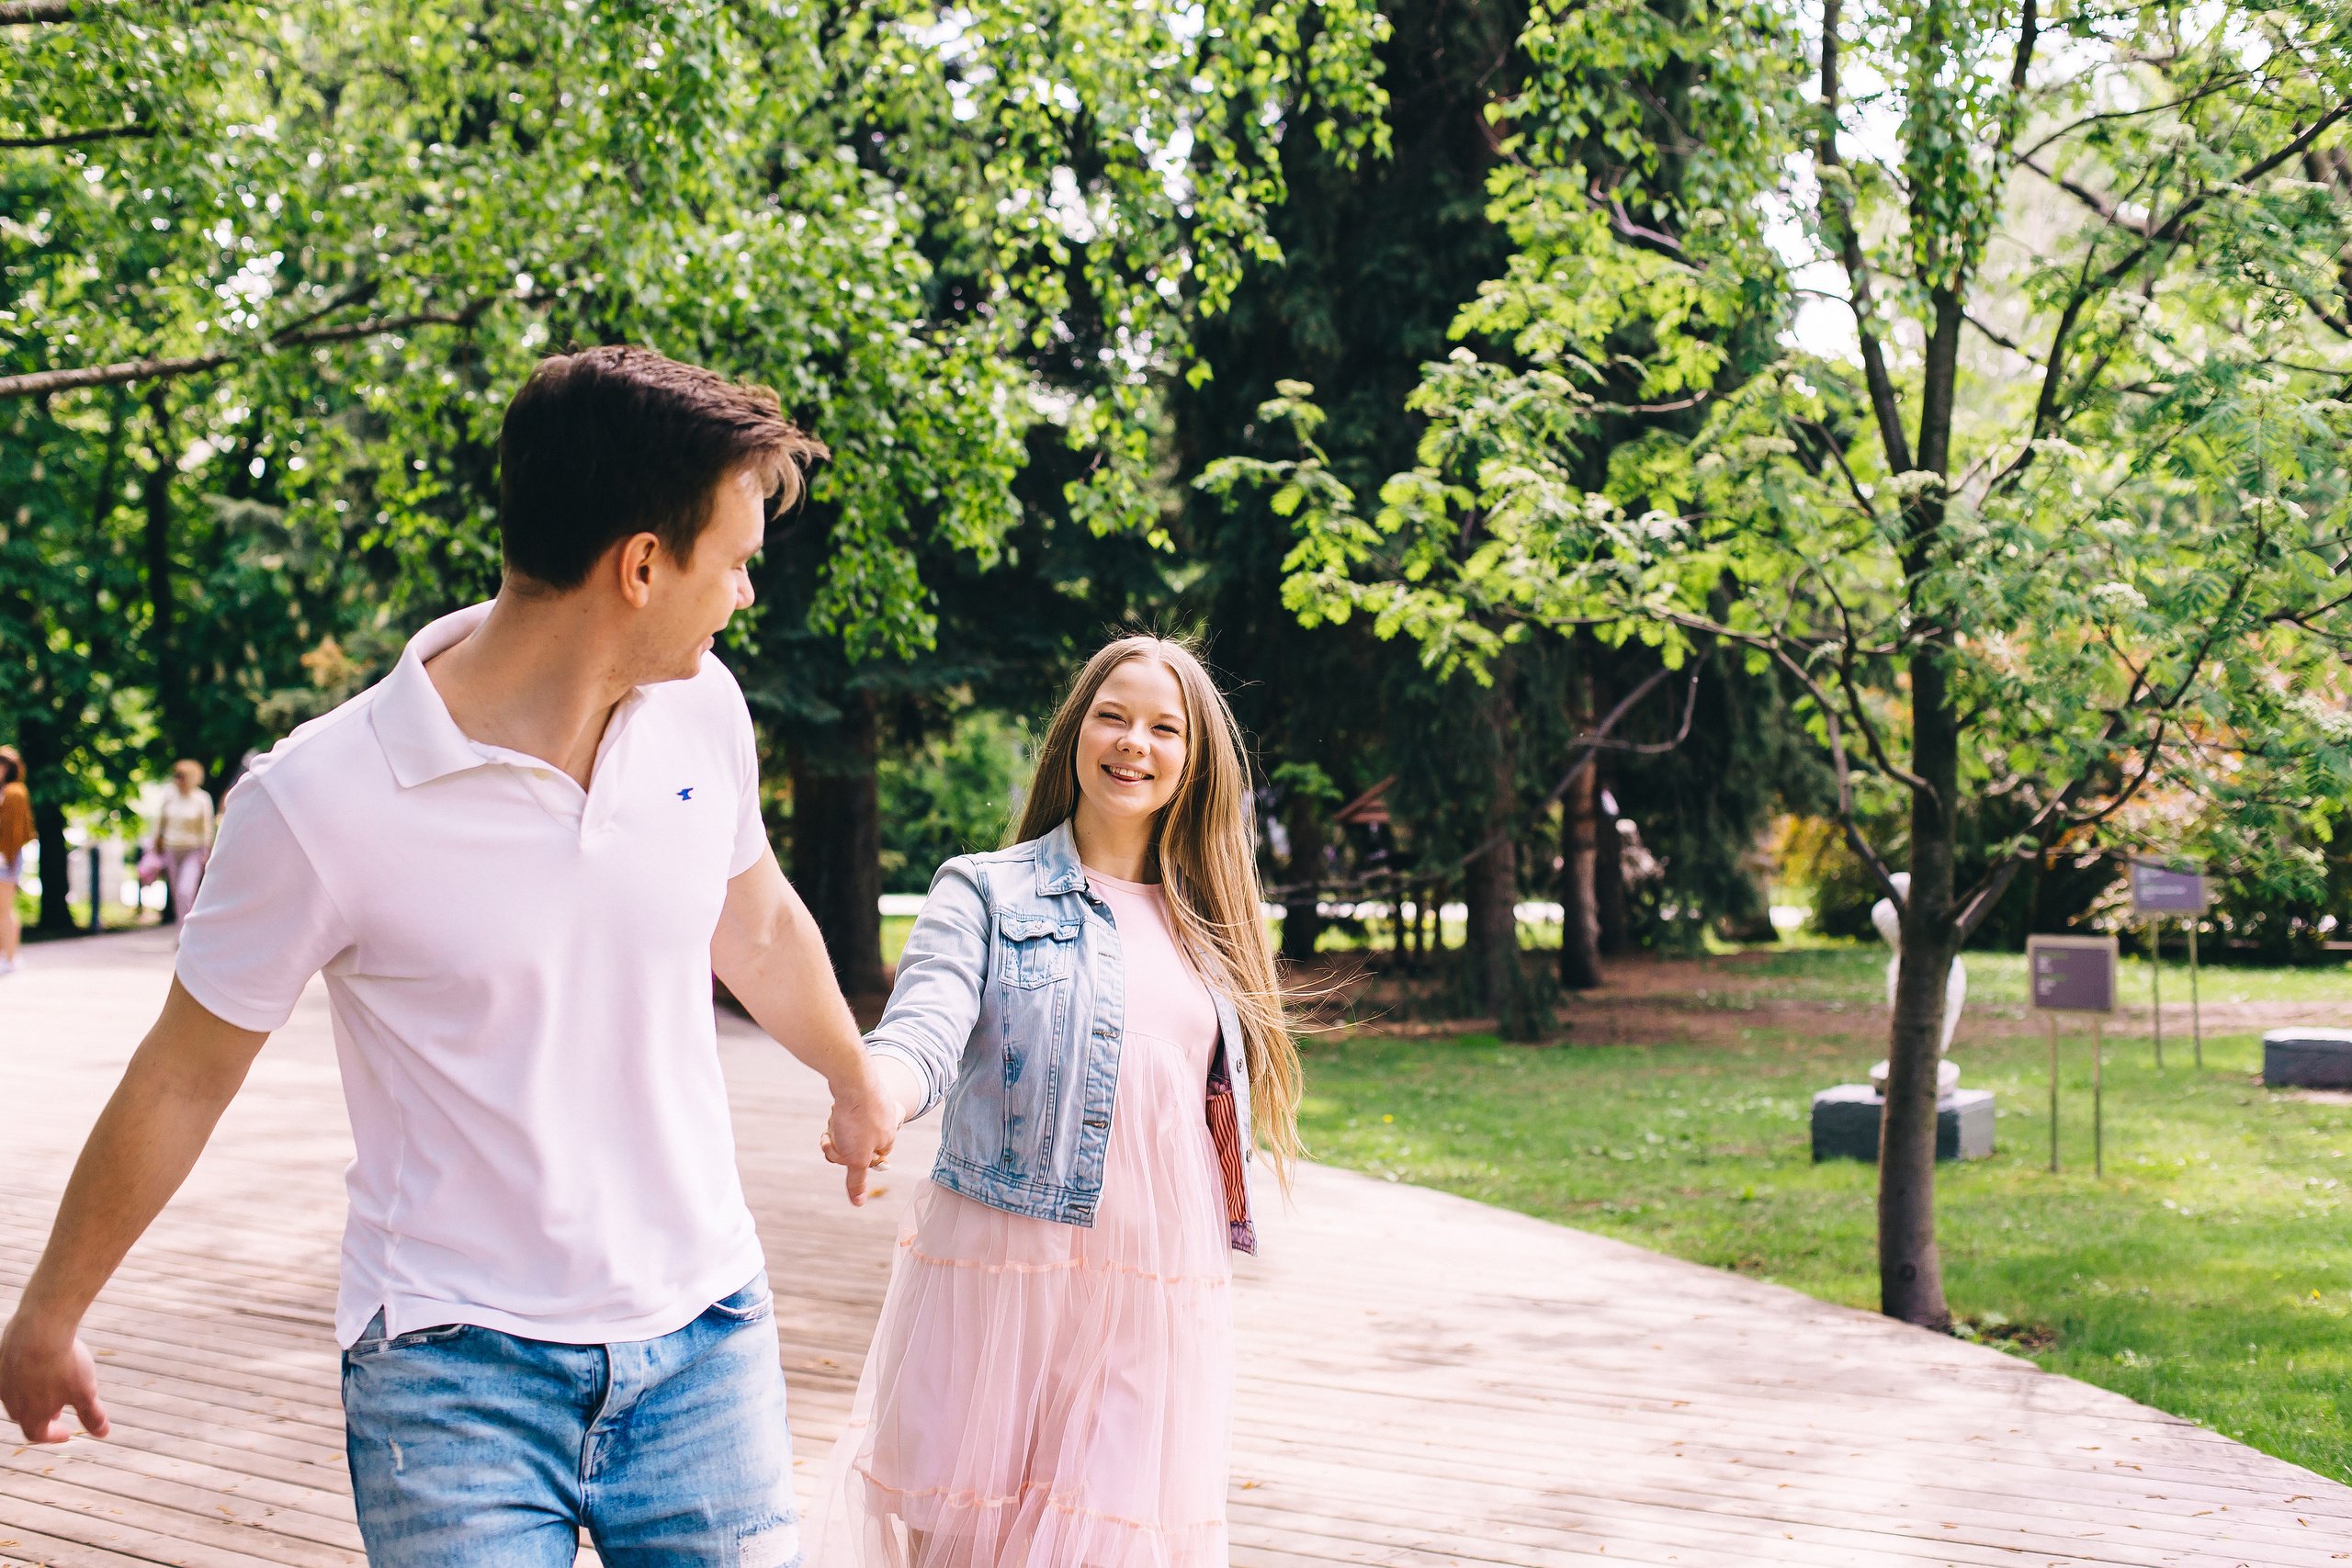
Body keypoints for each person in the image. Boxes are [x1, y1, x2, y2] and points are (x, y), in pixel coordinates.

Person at [0, 346, 907, 1568]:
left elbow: (756, 920)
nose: (744, 595)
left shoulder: (704, 708)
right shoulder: (321, 797)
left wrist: (851, 1076)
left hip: (706, 1336)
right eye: (735, 563)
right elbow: (182, 1073)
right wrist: (48, 1312)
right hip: (449, 1366)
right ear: (642, 563)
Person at [805, 635, 1301, 1568]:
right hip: (1006, 1276)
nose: (1133, 744)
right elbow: (923, 1028)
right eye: (1112, 716)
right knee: (968, 1541)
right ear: (1075, 732)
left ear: (1193, 761)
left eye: (1164, 728)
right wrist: (876, 1092)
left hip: (1156, 1289)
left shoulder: (1213, 926)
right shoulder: (984, 892)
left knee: (1108, 1543)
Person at [153, 759, 216, 924]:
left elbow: (206, 828)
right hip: (171, 849)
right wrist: (157, 844)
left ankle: (189, 928)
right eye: (176, 775)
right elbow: (161, 823)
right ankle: (181, 929)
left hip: (193, 850)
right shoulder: (170, 796)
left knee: (185, 891)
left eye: (181, 776)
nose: (177, 779)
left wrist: (206, 852)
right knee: (176, 893)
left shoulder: (202, 799)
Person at [0, 745, 29, 976]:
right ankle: (5, 954)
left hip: (6, 857)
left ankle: (11, 957)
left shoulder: (15, 792)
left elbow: (15, 832)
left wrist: (7, 857)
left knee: (5, 908)